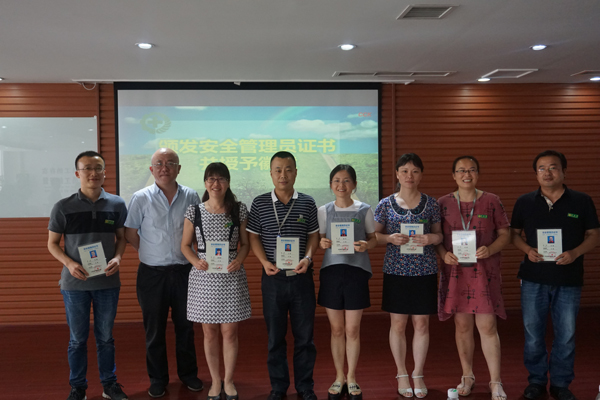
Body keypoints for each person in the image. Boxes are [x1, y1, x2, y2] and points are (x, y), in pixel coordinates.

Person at [510, 150, 600, 400]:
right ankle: (536, 381)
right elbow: (513, 234)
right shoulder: (525, 202)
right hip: (533, 277)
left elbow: (595, 235)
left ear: (563, 171)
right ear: (535, 173)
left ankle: (561, 384)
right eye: (541, 168)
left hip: (568, 278)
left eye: (553, 167)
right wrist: (527, 249)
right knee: (533, 334)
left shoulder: (581, 201)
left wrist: (575, 253)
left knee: (566, 334)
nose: (547, 172)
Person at [47, 151, 128, 400]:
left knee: (106, 338)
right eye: (87, 169)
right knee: (77, 340)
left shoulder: (117, 204)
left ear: (105, 172)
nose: (93, 173)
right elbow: (52, 244)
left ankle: (109, 384)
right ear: (77, 173)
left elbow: (122, 238)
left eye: (98, 168)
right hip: (75, 284)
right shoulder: (63, 206)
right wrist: (69, 264)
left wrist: (118, 258)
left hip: (107, 282)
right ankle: (78, 387)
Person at [124, 148, 203, 398]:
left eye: (170, 163)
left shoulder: (191, 196)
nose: (164, 167)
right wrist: (149, 251)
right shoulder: (140, 198)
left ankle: (188, 374)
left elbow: (198, 232)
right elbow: (130, 232)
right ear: (151, 169)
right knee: (154, 330)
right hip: (152, 275)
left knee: (186, 327)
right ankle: (157, 379)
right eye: (158, 163)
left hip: (184, 272)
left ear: (179, 168)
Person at [436, 155, 510, 400]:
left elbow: (505, 234)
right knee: (462, 326)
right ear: (453, 175)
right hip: (456, 272)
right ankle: (467, 375)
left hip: (485, 272)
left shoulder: (491, 200)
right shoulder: (443, 203)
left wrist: (491, 249)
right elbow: (437, 237)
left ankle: (495, 381)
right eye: (461, 170)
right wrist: (443, 254)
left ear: (478, 173)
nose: (466, 174)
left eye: (471, 170)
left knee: (487, 326)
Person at [246, 151, 320, 400]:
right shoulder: (259, 203)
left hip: (301, 277)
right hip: (273, 277)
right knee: (275, 337)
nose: (283, 174)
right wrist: (264, 262)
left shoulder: (307, 202)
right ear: (271, 173)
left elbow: (313, 235)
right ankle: (278, 387)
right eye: (278, 169)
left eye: (288, 169)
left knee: (305, 337)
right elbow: (253, 237)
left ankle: (305, 386)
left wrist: (308, 258)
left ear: (296, 172)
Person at [374, 153, 443, 399]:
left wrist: (432, 238)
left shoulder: (431, 204)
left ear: (421, 175)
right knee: (398, 324)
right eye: (404, 171)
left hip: (425, 270)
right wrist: (389, 238)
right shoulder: (385, 204)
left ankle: (418, 373)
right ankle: (401, 372)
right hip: (396, 270)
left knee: (422, 324)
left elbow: (440, 236)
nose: (409, 176)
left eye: (414, 171)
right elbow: (374, 237)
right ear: (397, 174)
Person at [181, 162, 252, 400]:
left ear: (228, 182)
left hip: (231, 276)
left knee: (230, 333)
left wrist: (239, 260)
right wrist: (195, 261)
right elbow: (185, 245)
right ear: (205, 183)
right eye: (211, 179)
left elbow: (245, 244)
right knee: (209, 333)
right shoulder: (194, 211)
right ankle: (215, 380)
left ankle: (229, 380)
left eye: (221, 179)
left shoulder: (239, 210)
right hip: (204, 279)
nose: (216, 183)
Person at [318, 164, 377, 400]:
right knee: (336, 329)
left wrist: (366, 245)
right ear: (330, 184)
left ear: (354, 184)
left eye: (346, 180)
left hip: (356, 272)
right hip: (332, 272)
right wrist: (322, 243)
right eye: (336, 180)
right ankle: (339, 376)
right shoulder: (323, 210)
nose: (341, 185)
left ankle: (352, 377)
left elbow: (373, 238)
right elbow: (320, 239)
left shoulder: (364, 209)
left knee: (352, 329)